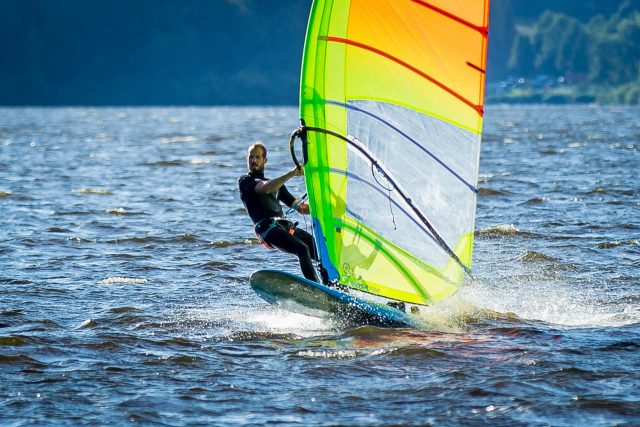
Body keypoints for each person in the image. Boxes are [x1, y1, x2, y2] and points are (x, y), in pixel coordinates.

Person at [238, 142, 321, 282]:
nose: (253, 161)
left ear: (265, 160)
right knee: (302, 249)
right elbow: (265, 188)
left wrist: (323, 208)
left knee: (317, 248)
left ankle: (332, 284)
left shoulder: (277, 185)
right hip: (266, 229)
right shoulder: (245, 181)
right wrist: (292, 173)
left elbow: (299, 207)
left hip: (285, 226)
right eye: (251, 157)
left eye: (257, 157)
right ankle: (317, 287)